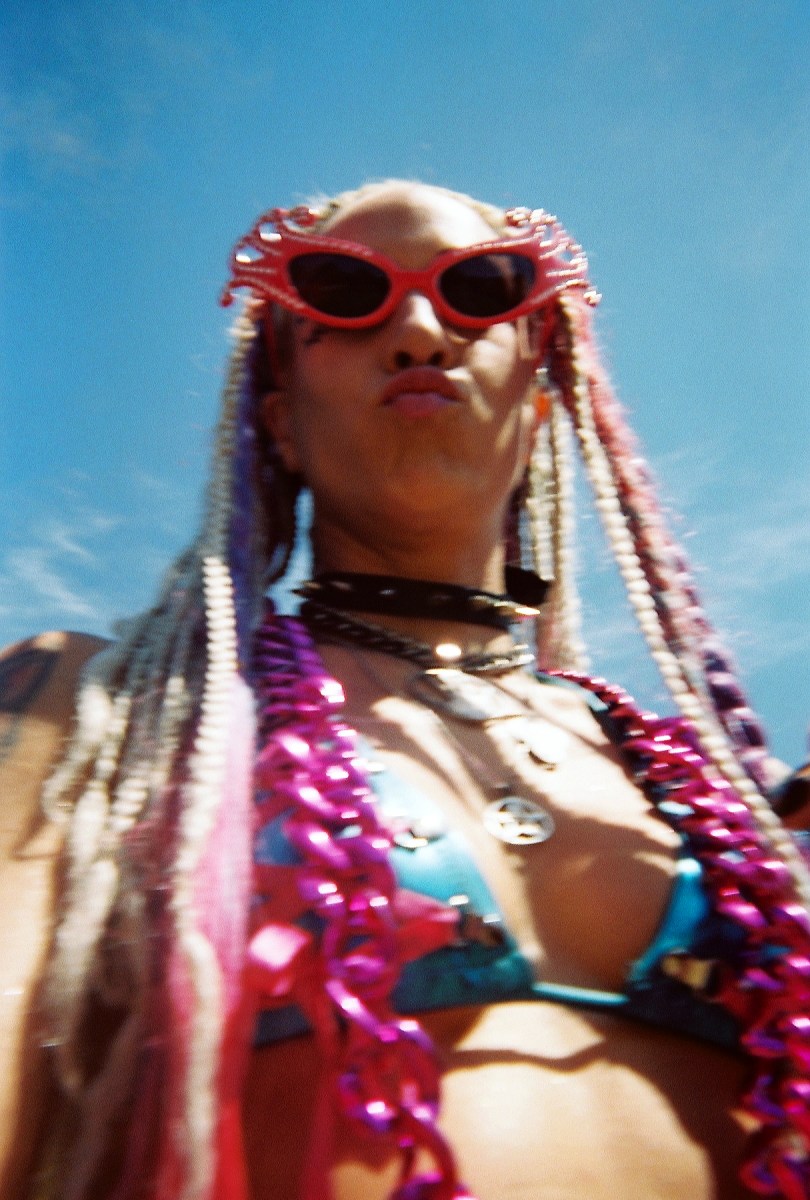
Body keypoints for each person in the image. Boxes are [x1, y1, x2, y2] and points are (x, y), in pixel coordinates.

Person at [2, 180, 809, 1200]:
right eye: (345, 294)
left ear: (540, 408)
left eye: (482, 288)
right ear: (280, 423)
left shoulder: (724, 794)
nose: (421, 330)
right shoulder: (99, 708)